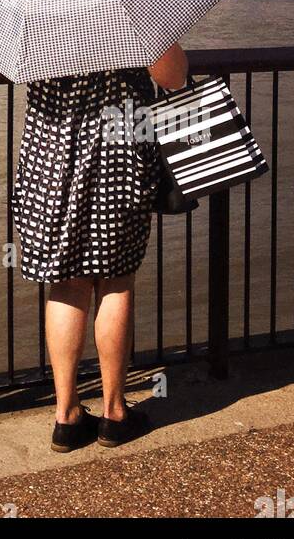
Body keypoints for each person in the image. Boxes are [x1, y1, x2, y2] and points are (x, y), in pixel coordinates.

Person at [11, 42, 188, 452]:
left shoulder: (37, 10)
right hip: (119, 152)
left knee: (67, 283)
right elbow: (172, 76)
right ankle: (113, 411)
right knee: (116, 279)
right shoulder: (126, 11)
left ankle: (66, 416)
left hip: (51, 155)